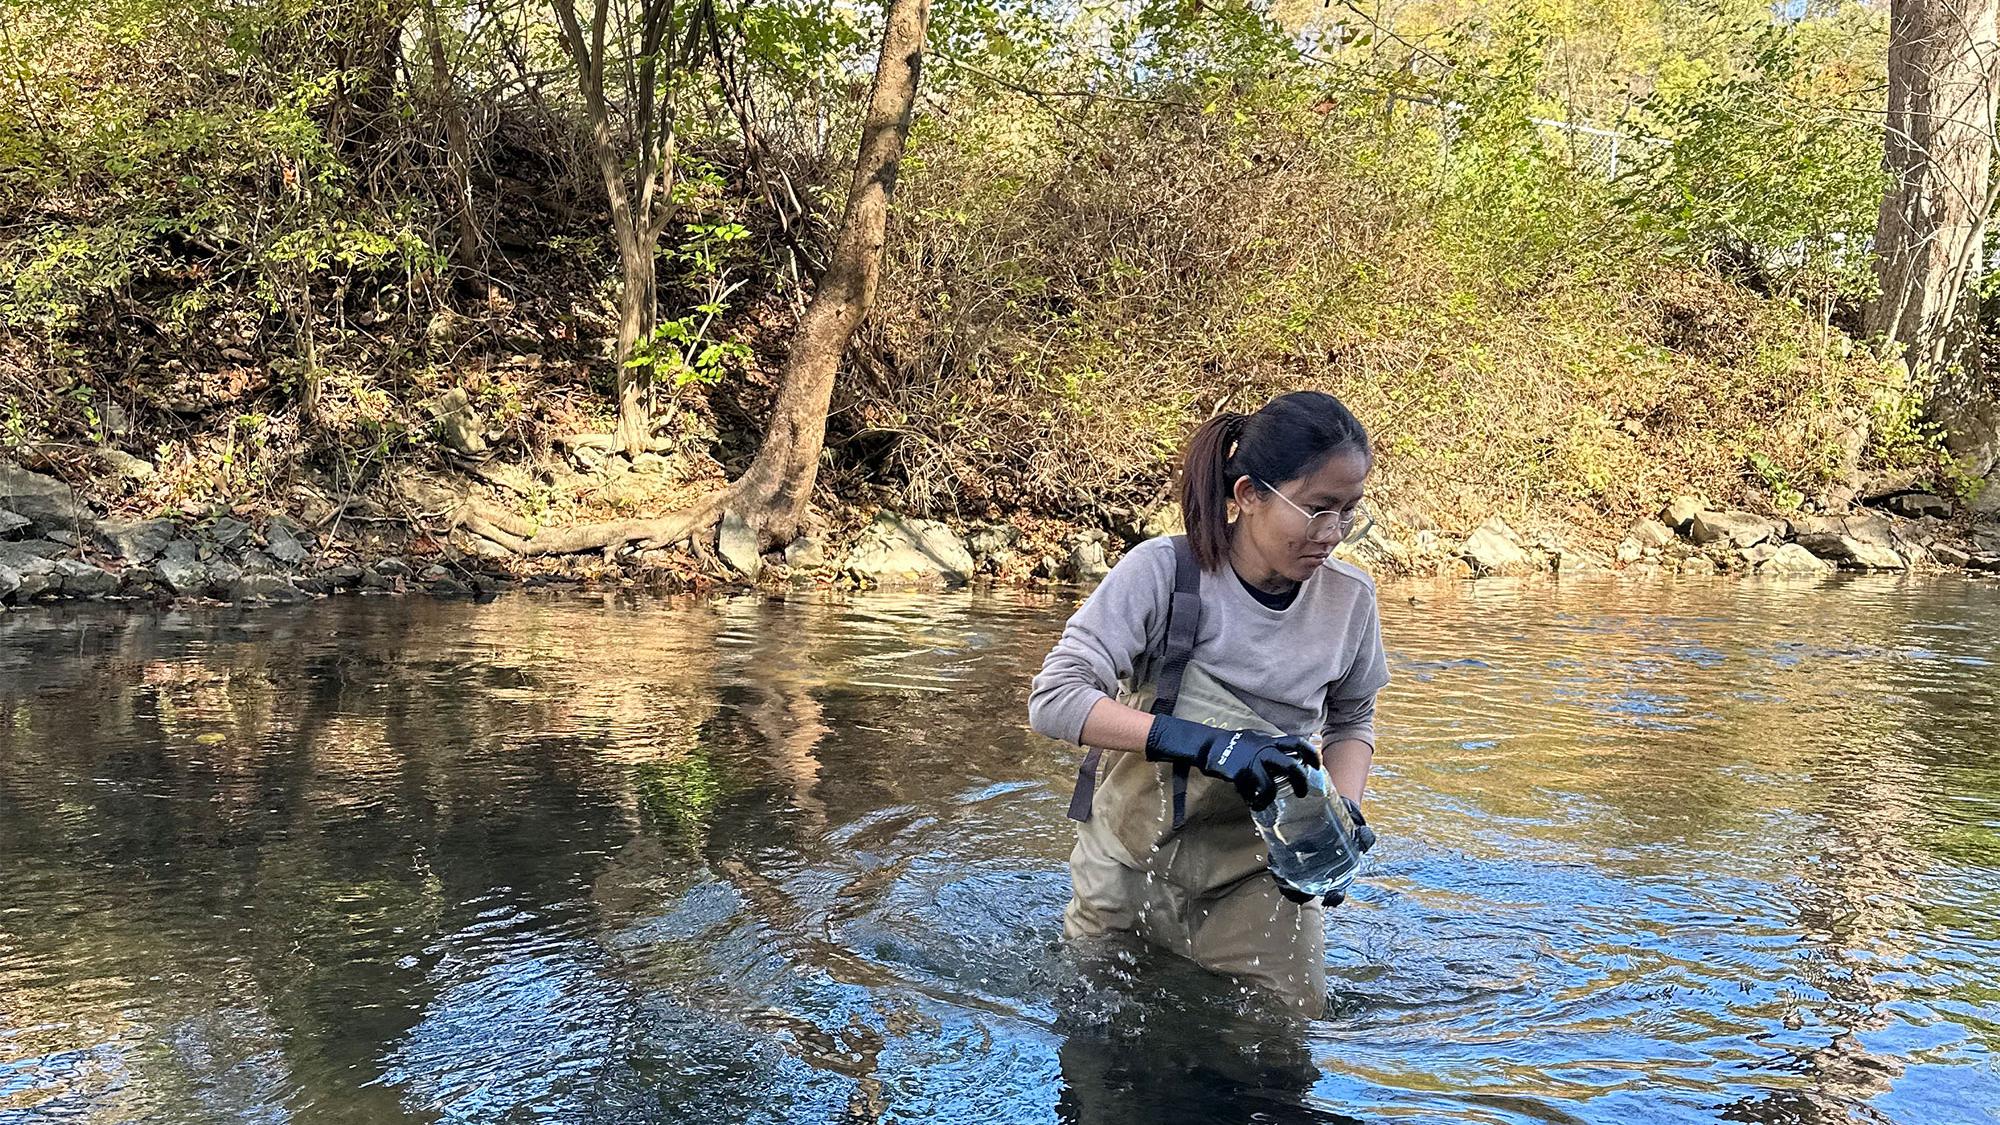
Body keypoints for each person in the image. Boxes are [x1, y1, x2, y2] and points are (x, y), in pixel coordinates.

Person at [1028, 390, 1389, 1018]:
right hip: (1126, 866)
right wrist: (1210, 745)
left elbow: (1352, 718)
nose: (1333, 534)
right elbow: (1054, 700)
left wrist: (1344, 817)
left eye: (1349, 512)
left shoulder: (1351, 599)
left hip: (1263, 878)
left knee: (1281, 1051)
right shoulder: (1164, 573)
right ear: (1248, 494)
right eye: (1317, 509)